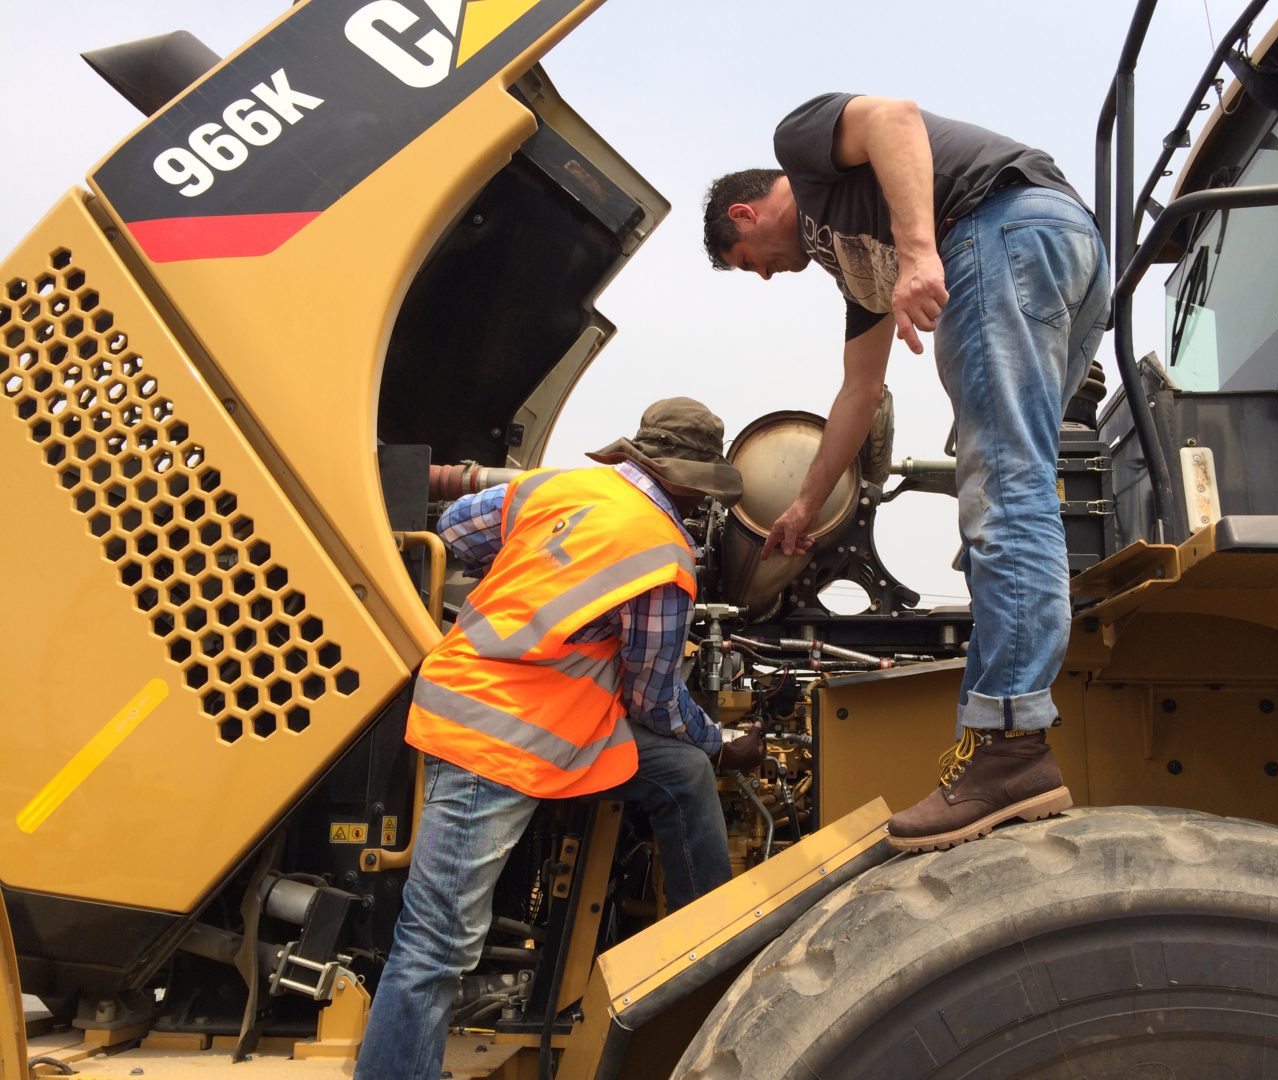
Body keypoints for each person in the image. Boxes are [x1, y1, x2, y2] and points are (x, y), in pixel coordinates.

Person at [703, 94, 1110, 852]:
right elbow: (859, 395)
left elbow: (894, 118)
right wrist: (803, 506)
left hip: (998, 229)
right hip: (1065, 243)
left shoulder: (799, 147)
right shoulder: (857, 271)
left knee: (1002, 493)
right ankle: (1003, 740)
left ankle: (1013, 741)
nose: (760, 278)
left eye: (744, 264)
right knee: (1019, 485)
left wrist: (923, 253)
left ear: (744, 216)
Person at [355, 397, 764, 1080]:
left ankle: (711, 954)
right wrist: (723, 740)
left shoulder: (557, 487)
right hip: (496, 738)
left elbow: (453, 530)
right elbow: (654, 700)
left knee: (679, 774)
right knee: (435, 949)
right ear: (692, 485)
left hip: (529, 719)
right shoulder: (665, 555)